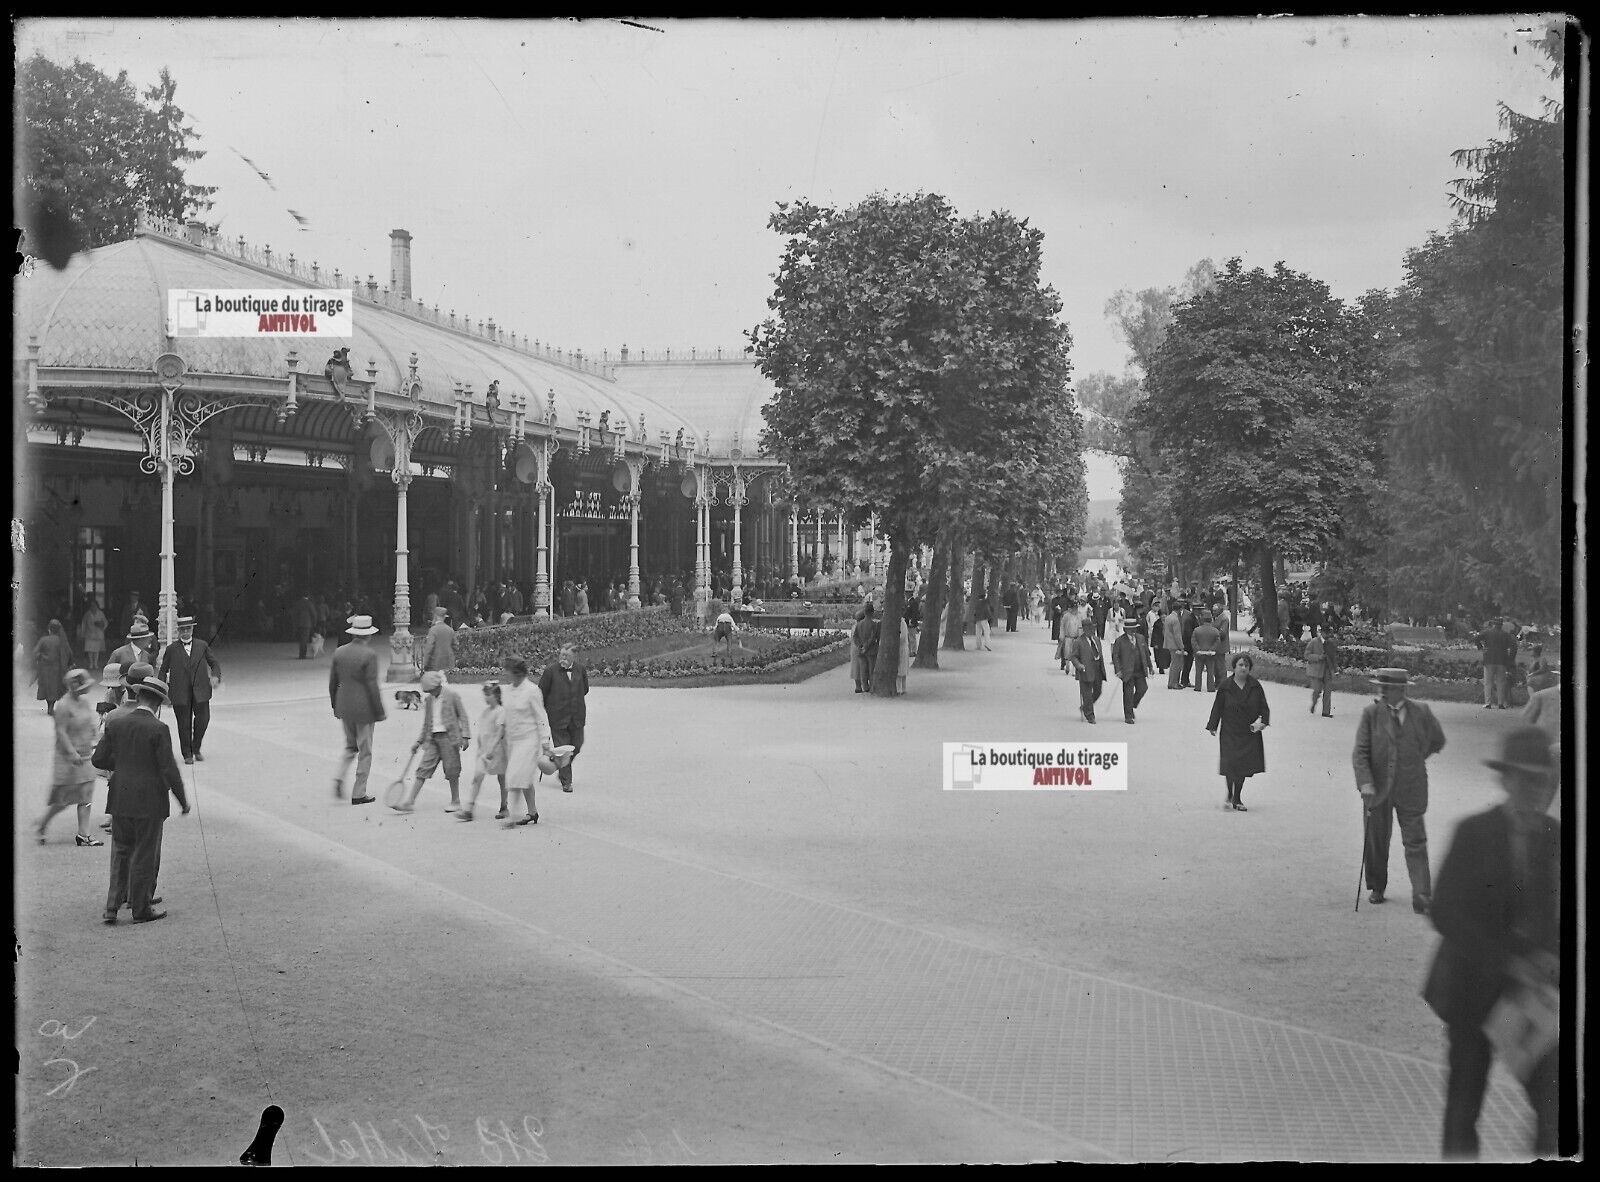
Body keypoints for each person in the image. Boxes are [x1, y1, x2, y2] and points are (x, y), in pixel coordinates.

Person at [1422, 727, 1559, 1159]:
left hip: (1530, 1000)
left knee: (1555, 1106)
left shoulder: (1560, 839)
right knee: (1464, 1107)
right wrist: (1505, 960)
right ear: (1504, 780)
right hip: (1471, 989)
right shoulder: (1473, 833)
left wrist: (1551, 956)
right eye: (1523, 779)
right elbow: (1443, 910)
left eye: (1542, 781)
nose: (1534, 791)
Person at [92, 673, 188, 924]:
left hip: (120, 796)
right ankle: (140, 907)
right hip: (150, 801)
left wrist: (124, 764)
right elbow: (168, 769)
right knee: (144, 852)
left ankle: (112, 906)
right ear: (157, 704)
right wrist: (182, 800)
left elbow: (98, 760)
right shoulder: (159, 729)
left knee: (121, 850)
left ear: (139, 695)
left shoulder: (117, 723)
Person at [1354, 667, 1447, 913]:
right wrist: (1365, 782)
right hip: (1377, 788)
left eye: (1387, 687)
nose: (1382, 691)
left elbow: (1438, 740)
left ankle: (1422, 894)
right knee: (1376, 840)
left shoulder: (1422, 712)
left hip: (1411, 786)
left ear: (1402, 689)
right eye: (1380, 687)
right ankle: (1377, 886)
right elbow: (1360, 752)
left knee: (1416, 841)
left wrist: (1416, 758)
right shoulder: (1371, 713)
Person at [37, 668, 104, 846]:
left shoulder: (84, 701)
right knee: (62, 800)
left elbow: (91, 723)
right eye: (84, 686)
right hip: (68, 757)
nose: (88, 689)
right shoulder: (64, 705)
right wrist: (71, 752)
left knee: (86, 793)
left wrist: (96, 738)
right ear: (74, 686)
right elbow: (61, 732)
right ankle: (42, 826)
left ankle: (84, 834)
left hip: (85, 754)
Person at [393, 671, 471, 813]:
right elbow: (427, 723)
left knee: (452, 770)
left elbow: (463, 716)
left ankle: (456, 801)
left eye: (431, 690)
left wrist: (465, 736)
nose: (429, 693)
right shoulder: (429, 700)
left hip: (449, 738)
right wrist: (418, 742)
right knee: (423, 769)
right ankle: (409, 802)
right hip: (432, 739)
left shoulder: (452, 696)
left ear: (438, 686)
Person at [329, 615, 386, 804]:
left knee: (350, 746)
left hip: (344, 706)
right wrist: (379, 711)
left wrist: (335, 704)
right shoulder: (369, 655)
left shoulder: (339, 652)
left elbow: (333, 683)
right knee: (365, 751)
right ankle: (359, 793)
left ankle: (339, 776)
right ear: (368, 635)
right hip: (364, 710)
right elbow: (372, 686)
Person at [1206, 653, 1271, 811]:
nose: (1243, 668)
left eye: (1246, 665)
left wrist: (1263, 722)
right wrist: (1213, 725)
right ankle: (1230, 793)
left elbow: (1264, 707)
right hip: (1230, 731)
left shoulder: (1255, 686)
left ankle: (1237, 798)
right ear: (1234, 667)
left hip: (1248, 732)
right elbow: (1218, 707)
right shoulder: (1225, 686)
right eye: (1240, 665)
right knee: (1230, 764)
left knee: (1243, 766)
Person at [157, 615, 222, 764]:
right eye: (183, 629)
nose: (186, 632)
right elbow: (163, 670)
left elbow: (214, 663)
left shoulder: (202, 645)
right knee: (184, 724)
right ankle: (187, 753)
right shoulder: (171, 649)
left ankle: (196, 747)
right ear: (178, 631)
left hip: (201, 691)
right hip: (180, 692)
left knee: (203, 720)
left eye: (188, 628)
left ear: (193, 629)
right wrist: (161, 688)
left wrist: (215, 677)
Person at [501, 656, 556, 826]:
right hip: (513, 740)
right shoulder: (508, 690)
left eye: (507, 670)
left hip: (528, 740)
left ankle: (513, 816)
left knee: (515, 775)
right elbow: (505, 714)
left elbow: (541, 717)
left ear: (516, 672)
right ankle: (532, 812)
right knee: (523, 776)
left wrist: (545, 742)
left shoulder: (532, 690)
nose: (505, 673)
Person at [538, 643, 589, 794]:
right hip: (558, 718)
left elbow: (585, 689)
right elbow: (541, 693)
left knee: (577, 746)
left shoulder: (580, 669)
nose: (563, 658)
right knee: (563, 749)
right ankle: (567, 782)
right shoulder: (550, 671)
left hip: (577, 716)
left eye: (566, 655)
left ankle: (559, 767)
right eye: (561, 655)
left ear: (574, 656)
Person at [458, 682, 508, 822]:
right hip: (484, 752)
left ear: (497, 695)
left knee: (502, 778)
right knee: (477, 777)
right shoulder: (486, 712)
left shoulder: (501, 711)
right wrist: (481, 749)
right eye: (484, 695)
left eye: (489, 695)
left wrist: (492, 747)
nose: (486, 698)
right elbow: (483, 732)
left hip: (497, 751)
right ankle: (469, 809)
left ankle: (504, 806)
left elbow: (500, 731)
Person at [1067, 621, 1107, 724]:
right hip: (1085, 669)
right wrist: (1078, 665)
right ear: (1084, 629)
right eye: (1088, 628)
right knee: (1087, 694)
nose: (1091, 630)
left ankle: (1085, 707)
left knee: (1098, 691)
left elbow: (1100, 654)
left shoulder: (1097, 640)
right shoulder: (1078, 642)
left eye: (1092, 628)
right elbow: (1073, 656)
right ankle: (1090, 715)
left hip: (1097, 668)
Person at [1110, 617, 1148, 725]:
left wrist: (1149, 666)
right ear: (1126, 629)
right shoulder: (1120, 641)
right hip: (1127, 671)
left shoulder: (1141, 638)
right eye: (1130, 629)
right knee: (1128, 693)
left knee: (1143, 688)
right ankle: (1128, 716)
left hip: (1139, 670)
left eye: (1134, 629)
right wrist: (1118, 670)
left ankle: (1132, 705)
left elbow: (1146, 653)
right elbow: (1115, 656)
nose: (1133, 631)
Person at [33, 619, 74, 715]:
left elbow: (35, 652)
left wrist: (41, 657)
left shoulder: (43, 640)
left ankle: (49, 707)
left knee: (47, 688)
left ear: (49, 629)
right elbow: (68, 653)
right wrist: (70, 664)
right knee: (54, 688)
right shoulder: (62, 641)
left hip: (45, 668)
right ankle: (51, 707)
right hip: (57, 669)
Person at [1478, 617, 1517, 710]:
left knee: (1488, 682)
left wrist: (1480, 647)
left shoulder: (1487, 632)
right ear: (1501, 625)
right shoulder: (1506, 634)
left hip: (1489, 659)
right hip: (1502, 660)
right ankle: (1501, 704)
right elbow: (1514, 646)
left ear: (1493, 624)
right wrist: (1510, 658)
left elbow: (1476, 637)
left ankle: (1488, 703)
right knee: (1501, 682)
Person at [1305, 628, 1339, 717]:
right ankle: (1314, 703)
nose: (1327, 635)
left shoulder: (1331, 643)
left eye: (1329, 633)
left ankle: (1326, 712)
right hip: (1316, 670)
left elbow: (1333, 657)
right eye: (1326, 633)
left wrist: (1336, 670)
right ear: (1321, 632)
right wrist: (1318, 657)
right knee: (1317, 690)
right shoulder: (1314, 642)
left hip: (1327, 670)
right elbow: (1307, 655)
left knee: (1328, 691)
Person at [851, 604, 880, 692]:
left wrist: (860, 646)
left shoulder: (859, 624)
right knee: (871, 669)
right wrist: (866, 646)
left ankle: (864, 687)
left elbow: (855, 637)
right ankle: (871, 687)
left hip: (861, 651)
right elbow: (873, 637)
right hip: (871, 650)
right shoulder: (874, 624)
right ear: (872, 612)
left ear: (865, 612)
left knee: (863, 670)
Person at [420, 606, 456, 675]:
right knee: (443, 681)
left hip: (435, 663)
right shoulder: (450, 630)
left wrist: (425, 663)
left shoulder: (433, 630)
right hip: (448, 663)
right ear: (444, 617)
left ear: (435, 616)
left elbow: (429, 648)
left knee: (435, 683)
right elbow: (455, 646)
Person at [1190, 611, 1221, 694]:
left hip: (1199, 653)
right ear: (1211, 620)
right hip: (1210, 654)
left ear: (1202, 620)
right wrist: (1212, 649)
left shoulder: (1197, 630)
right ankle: (1210, 687)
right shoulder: (1215, 631)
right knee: (1210, 671)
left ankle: (1198, 687)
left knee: (1198, 671)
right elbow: (1218, 641)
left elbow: (1193, 641)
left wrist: (1198, 649)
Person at [76, 596, 108, 674]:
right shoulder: (87, 614)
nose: (93, 607)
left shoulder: (100, 613)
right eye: (92, 605)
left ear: (97, 606)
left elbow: (105, 622)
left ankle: (95, 663)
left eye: (95, 605)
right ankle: (91, 663)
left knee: (96, 650)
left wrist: (102, 626)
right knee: (90, 649)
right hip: (89, 634)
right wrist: (83, 633)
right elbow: (84, 624)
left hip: (98, 633)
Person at [1163, 601, 1185, 690]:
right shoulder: (1175, 619)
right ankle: (1173, 683)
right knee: (1176, 665)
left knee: (1173, 664)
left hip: (1168, 642)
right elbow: (1177, 634)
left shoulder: (1168, 618)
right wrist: (1181, 646)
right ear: (1180, 609)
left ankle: (1171, 682)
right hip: (1175, 644)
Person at [291, 594, 317, 659]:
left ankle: (301, 654)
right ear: (308, 596)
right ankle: (303, 655)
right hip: (307, 624)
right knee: (305, 640)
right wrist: (314, 623)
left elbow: (294, 614)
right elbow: (313, 614)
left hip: (299, 624)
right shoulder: (309, 603)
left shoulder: (298, 603)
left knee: (301, 639)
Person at [895, 612, 911, 695]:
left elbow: (903, 637)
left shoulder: (902, 623)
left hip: (901, 648)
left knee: (900, 669)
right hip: (902, 648)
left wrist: (894, 637)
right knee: (902, 668)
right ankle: (902, 688)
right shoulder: (901, 622)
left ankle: (900, 689)